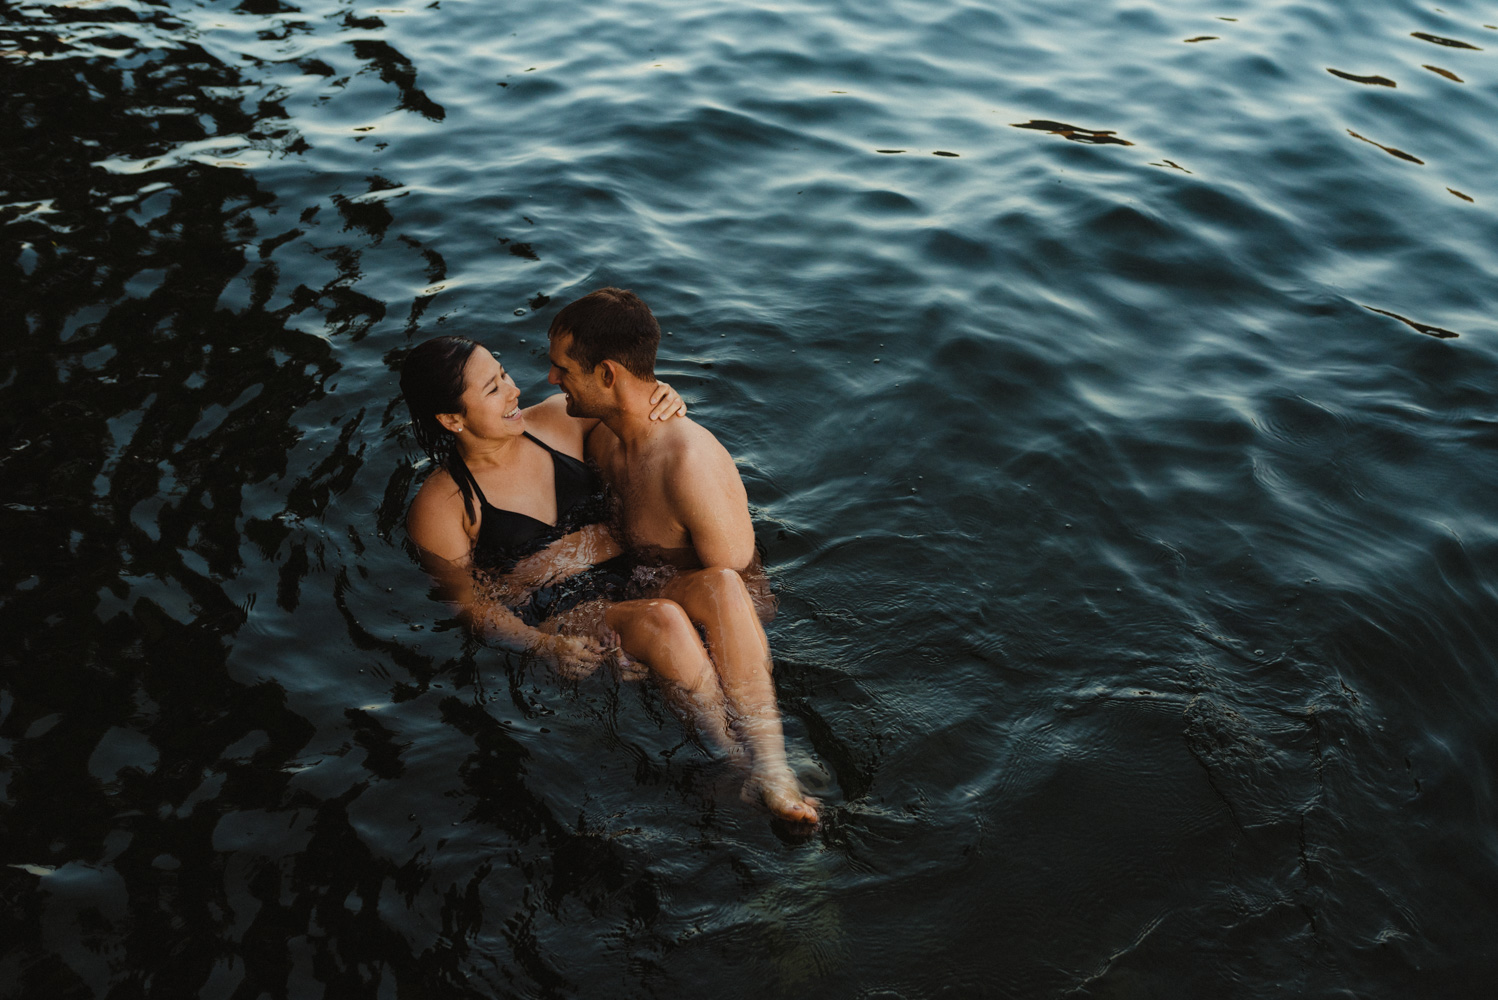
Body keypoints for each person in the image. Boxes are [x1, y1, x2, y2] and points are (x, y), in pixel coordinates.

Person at [546, 287, 820, 825]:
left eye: (561, 369)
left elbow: (752, 601)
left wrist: (661, 648)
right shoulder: (597, 431)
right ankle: (749, 768)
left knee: (722, 584)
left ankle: (770, 766)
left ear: (606, 374)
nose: (552, 380)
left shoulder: (689, 464)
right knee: (674, 611)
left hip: (681, 621)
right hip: (633, 601)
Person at [400, 336, 737, 754]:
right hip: (571, 619)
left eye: (504, 373)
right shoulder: (442, 505)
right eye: (493, 388)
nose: (515, 389)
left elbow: (628, 410)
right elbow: (471, 606)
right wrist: (544, 647)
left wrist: (661, 396)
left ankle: (766, 743)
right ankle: (735, 759)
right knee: (665, 620)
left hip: (637, 580)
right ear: (452, 419)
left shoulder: (558, 420)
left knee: (723, 584)